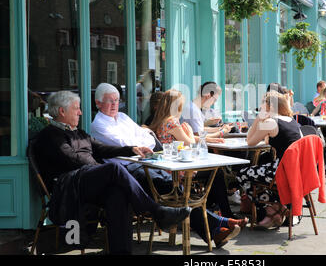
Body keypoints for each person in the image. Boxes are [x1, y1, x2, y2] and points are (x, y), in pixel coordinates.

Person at [33, 90, 191, 254]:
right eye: (76, 108)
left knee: (118, 194)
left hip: (87, 179)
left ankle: (121, 251)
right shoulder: (50, 135)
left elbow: (102, 148)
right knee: (115, 168)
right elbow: (71, 159)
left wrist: (132, 149)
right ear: (62, 111)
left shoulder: (78, 132)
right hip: (70, 184)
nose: (80, 112)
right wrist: (100, 168)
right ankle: (157, 211)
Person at [90, 83, 245, 247]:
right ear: (98, 103)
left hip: (147, 164)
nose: (115, 104)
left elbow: (148, 138)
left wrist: (139, 144)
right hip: (127, 170)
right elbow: (125, 144)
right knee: (172, 190)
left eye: (116, 100)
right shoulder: (99, 124)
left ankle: (216, 229)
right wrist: (137, 144)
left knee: (177, 192)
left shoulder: (123, 118)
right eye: (109, 101)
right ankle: (218, 225)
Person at [150, 89, 243, 220]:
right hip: (179, 169)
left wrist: (210, 139)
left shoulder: (162, 121)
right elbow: (190, 143)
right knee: (217, 173)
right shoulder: (172, 122)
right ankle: (222, 212)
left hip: (168, 167)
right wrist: (192, 135)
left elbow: (186, 138)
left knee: (214, 174)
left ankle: (209, 209)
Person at [235, 91, 302, 229]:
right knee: (259, 169)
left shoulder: (271, 122)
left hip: (281, 172)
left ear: (270, 106)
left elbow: (250, 141)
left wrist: (258, 118)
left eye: (263, 103)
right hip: (296, 171)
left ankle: (271, 208)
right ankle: (276, 207)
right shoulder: (291, 121)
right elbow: (269, 139)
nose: (261, 105)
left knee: (241, 174)